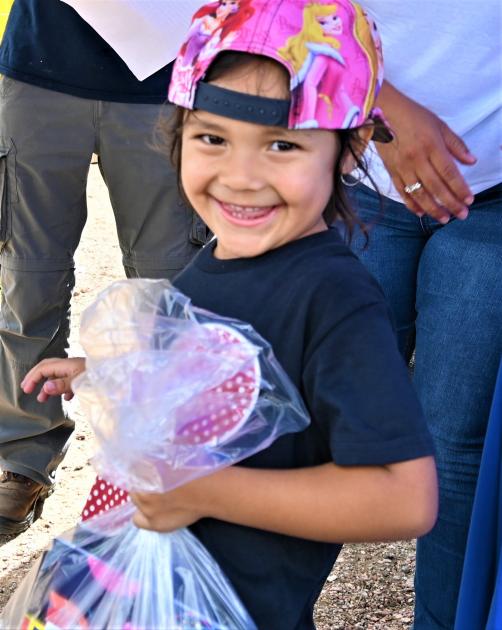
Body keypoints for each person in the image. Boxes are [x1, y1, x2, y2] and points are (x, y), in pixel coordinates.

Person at [20, 1, 438, 628]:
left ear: (349, 151)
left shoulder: (332, 299)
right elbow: (217, 373)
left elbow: (405, 498)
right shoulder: (217, 258)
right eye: (212, 139)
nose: (241, 178)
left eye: (282, 145)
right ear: (178, 132)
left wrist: (204, 492)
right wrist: (104, 370)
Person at [0, 0, 206, 537]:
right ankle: (22, 458)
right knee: (28, 277)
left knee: (169, 286)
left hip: (164, 78)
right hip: (41, 67)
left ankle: (171, 458)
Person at [347, 2, 502, 628]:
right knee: (318, 418)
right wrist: (382, 106)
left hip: (492, 197)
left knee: (453, 446)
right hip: (359, 173)